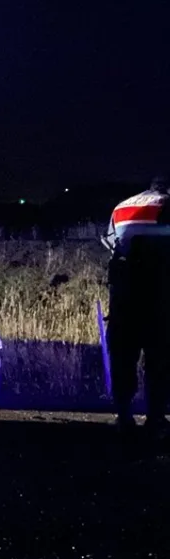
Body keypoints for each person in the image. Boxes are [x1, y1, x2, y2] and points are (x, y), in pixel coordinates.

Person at [103, 176, 170, 432]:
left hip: (124, 296)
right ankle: (155, 417)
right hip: (160, 295)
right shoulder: (167, 204)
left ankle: (123, 415)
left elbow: (113, 247)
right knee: (160, 359)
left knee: (123, 356)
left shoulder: (122, 207)